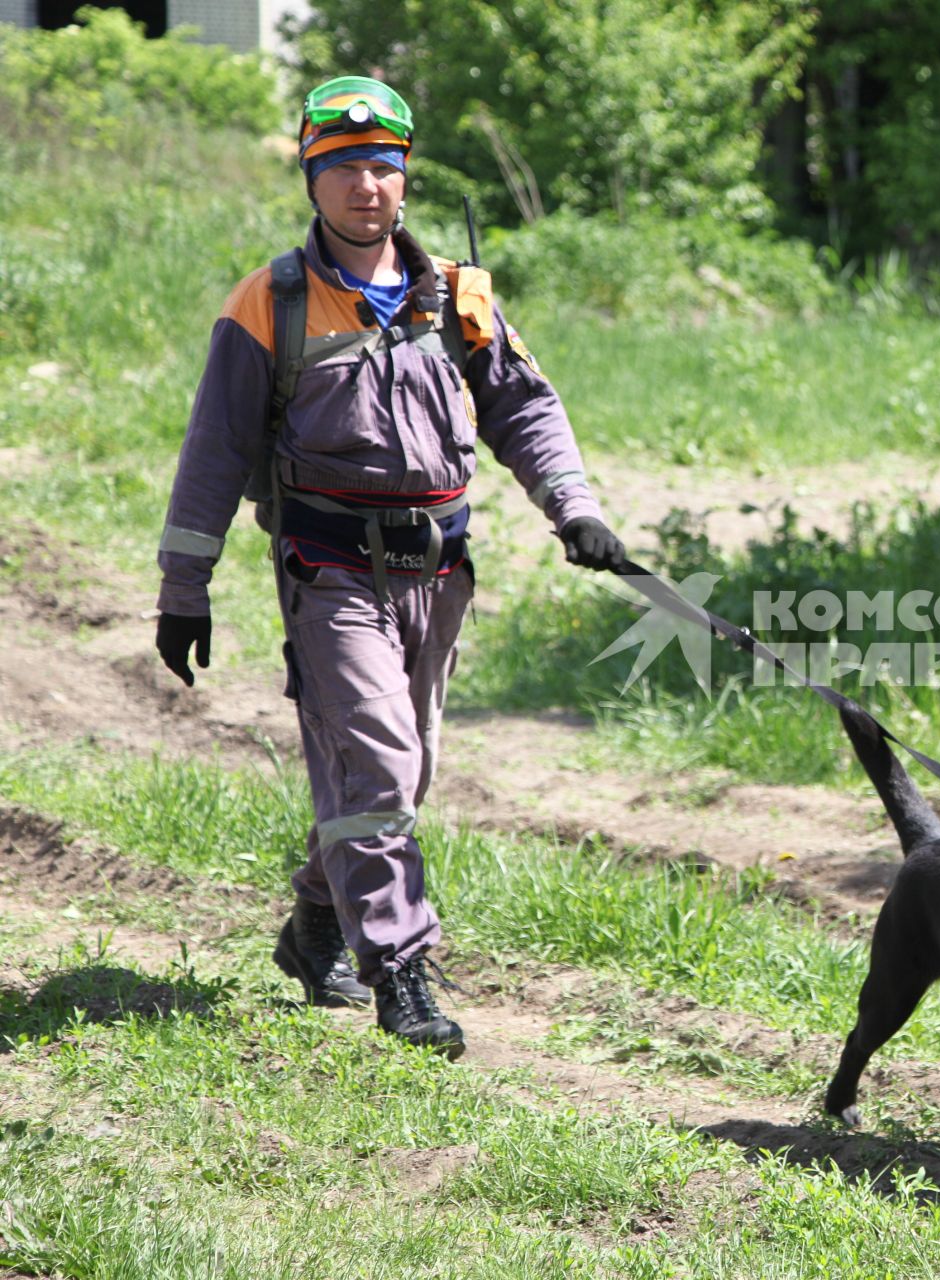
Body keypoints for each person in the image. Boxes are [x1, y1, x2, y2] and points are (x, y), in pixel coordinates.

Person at [153, 76, 625, 1058]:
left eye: (383, 167)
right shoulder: (269, 303)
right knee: (376, 762)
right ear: (313, 178)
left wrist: (575, 510)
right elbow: (214, 455)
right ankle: (401, 971)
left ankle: (317, 922)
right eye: (345, 168)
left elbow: (526, 411)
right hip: (328, 572)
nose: (367, 185)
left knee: (404, 771)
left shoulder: (459, 296)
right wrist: (182, 588)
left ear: (404, 179)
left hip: (438, 577)